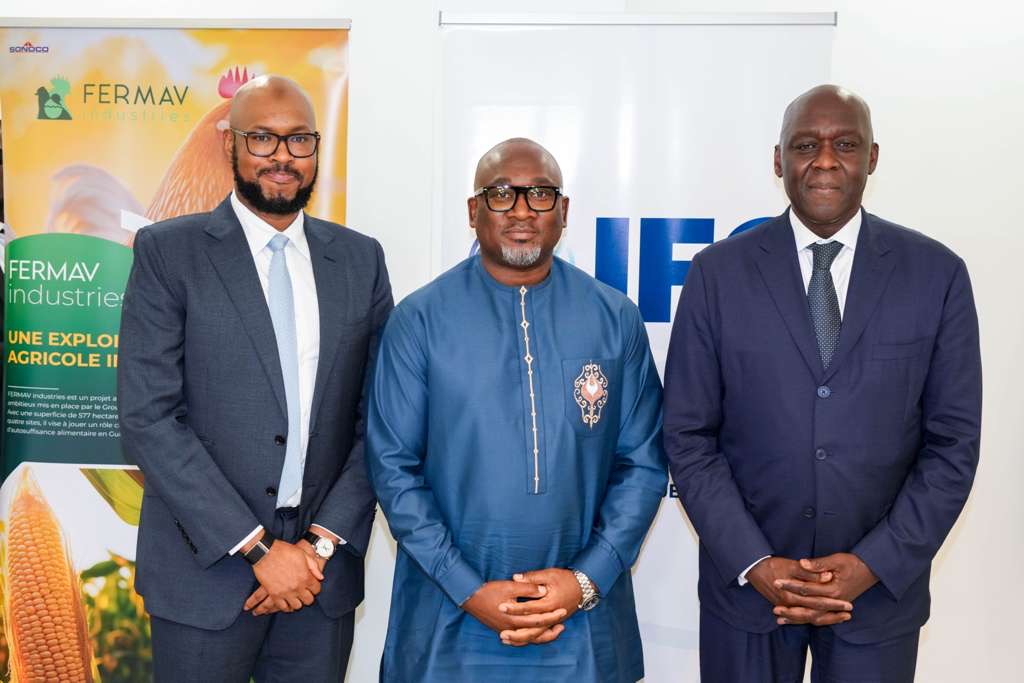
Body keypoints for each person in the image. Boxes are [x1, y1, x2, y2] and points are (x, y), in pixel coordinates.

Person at [663, 84, 982, 682]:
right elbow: (687, 436)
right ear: (778, 159)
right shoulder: (716, 274)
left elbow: (952, 446)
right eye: (806, 145)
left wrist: (872, 564)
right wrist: (755, 561)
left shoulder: (936, 275)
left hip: (878, 598)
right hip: (748, 596)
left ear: (873, 157)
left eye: (846, 145)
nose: (826, 161)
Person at [118, 75, 392, 681]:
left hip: (320, 579)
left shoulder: (360, 259)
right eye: (262, 138)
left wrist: (318, 545)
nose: (282, 157)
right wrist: (259, 549)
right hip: (204, 569)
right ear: (230, 145)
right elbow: (149, 418)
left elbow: (381, 419)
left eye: (299, 140)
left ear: (316, 148)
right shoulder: (169, 252)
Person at [366, 138, 667, 682]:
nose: (523, 211)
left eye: (541, 195)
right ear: (473, 210)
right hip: (448, 616)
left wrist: (585, 580)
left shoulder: (614, 318)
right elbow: (393, 468)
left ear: (564, 211)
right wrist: (467, 588)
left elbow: (643, 464)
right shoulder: (420, 321)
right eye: (502, 194)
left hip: (582, 620)